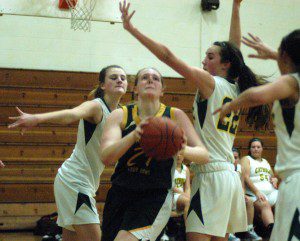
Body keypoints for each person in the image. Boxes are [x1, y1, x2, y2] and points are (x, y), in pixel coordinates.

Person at [119, 0, 270, 240]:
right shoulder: (236, 86)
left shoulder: (211, 83)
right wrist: (236, 7)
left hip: (211, 176)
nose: (203, 61)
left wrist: (134, 30)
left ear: (224, 64)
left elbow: (168, 56)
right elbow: (235, 49)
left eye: (210, 57)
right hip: (230, 176)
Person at [8, 65, 128, 241]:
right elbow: (71, 114)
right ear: (102, 85)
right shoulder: (96, 107)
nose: (119, 80)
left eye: (123, 78)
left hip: (81, 182)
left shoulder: (120, 115)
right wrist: (37, 118)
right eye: (113, 77)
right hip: (75, 181)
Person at [99, 67, 209, 241]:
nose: (150, 80)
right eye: (144, 78)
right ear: (135, 88)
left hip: (154, 196)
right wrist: (133, 136)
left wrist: (181, 149)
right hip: (120, 193)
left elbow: (204, 155)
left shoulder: (175, 115)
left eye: (155, 78)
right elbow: (106, 156)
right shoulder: (121, 115)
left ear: (162, 90)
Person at [214, 29, 300, 241]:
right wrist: (273, 54)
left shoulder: (291, 82)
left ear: (286, 57)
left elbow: (257, 95)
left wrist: (231, 104)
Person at [231, 147, 262, 241]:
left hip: (237, 194)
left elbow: (242, 186)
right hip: (226, 195)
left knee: (249, 201)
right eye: (231, 157)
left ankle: (249, 230)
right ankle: (230, 233)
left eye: (236, 157)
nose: (233, 160)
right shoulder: (224, 168)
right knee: (231, 202)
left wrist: (242, 195)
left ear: (239, 159)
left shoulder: (241, 169)